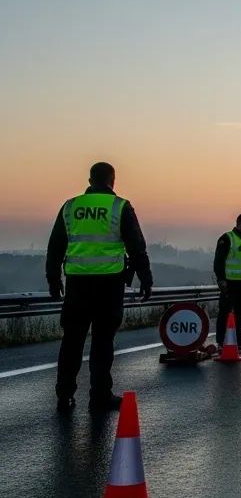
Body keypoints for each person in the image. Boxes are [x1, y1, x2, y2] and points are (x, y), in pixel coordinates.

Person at [46, 162, 153, 413]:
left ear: (90, 179)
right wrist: (145, 278)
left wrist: (53, 279)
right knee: (103, 343)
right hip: (109, 284)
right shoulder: (120, 206)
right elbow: (136, 246)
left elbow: (55, 247)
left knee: (72, 341)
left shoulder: (71, 207)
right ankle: (100, 396)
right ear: (112, 180)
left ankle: (64, 394)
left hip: (77, 284)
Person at [214, 214, 241, 349]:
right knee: (225, 312)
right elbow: (218, 261)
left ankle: (238, 338)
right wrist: (221, 280)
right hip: (229, 283)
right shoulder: (227, 238)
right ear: (238, 223)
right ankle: (222, 341)